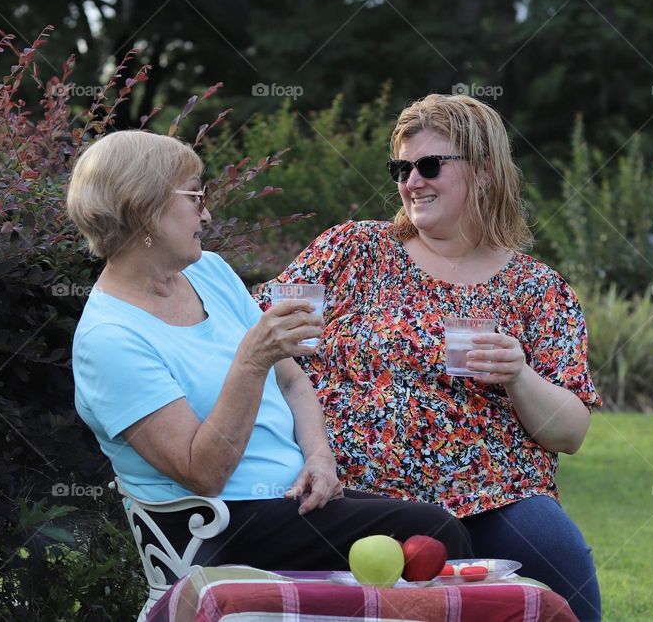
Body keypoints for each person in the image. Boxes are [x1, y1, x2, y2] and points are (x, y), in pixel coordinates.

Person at [256, 94, 602, 619]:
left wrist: (518, 375)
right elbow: (255, 322)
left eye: (430, 165)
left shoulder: (537, 288)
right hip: (355, 489)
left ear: (484, 173)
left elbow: (570, 432)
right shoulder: (354, 250)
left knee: (561, 565)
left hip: (492, 492)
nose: (412, 181)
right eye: (402, 167)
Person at [67, 130, 472, 574]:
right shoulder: (109, 338)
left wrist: (319, 458)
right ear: (143, 208)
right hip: (218, 528)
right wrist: (250, 361)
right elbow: (202, 474)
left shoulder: (209, 272)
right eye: (195, 198)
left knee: (431, 530)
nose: (207, 213)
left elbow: (293, 380)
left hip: (288, 502)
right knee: (432, 534)